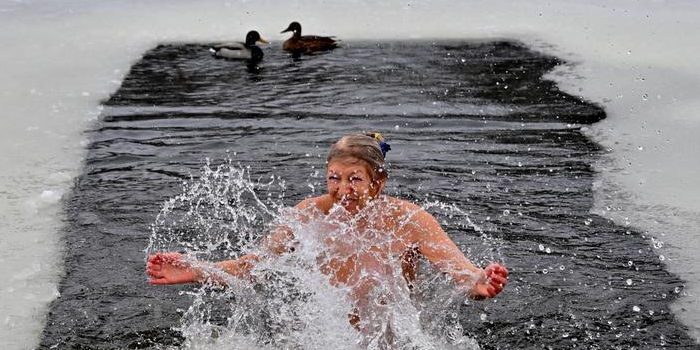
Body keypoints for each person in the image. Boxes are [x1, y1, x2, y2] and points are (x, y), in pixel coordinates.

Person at [146, 133, 508, 320]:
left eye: (355, 180)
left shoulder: (409, 220)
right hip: (325, 340)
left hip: (392, 340)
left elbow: (459, 273)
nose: (342, 190)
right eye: (334, 178)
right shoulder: (307, 214)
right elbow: (252, 267)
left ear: (377, 183)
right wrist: (196, 270)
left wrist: (479, 283)